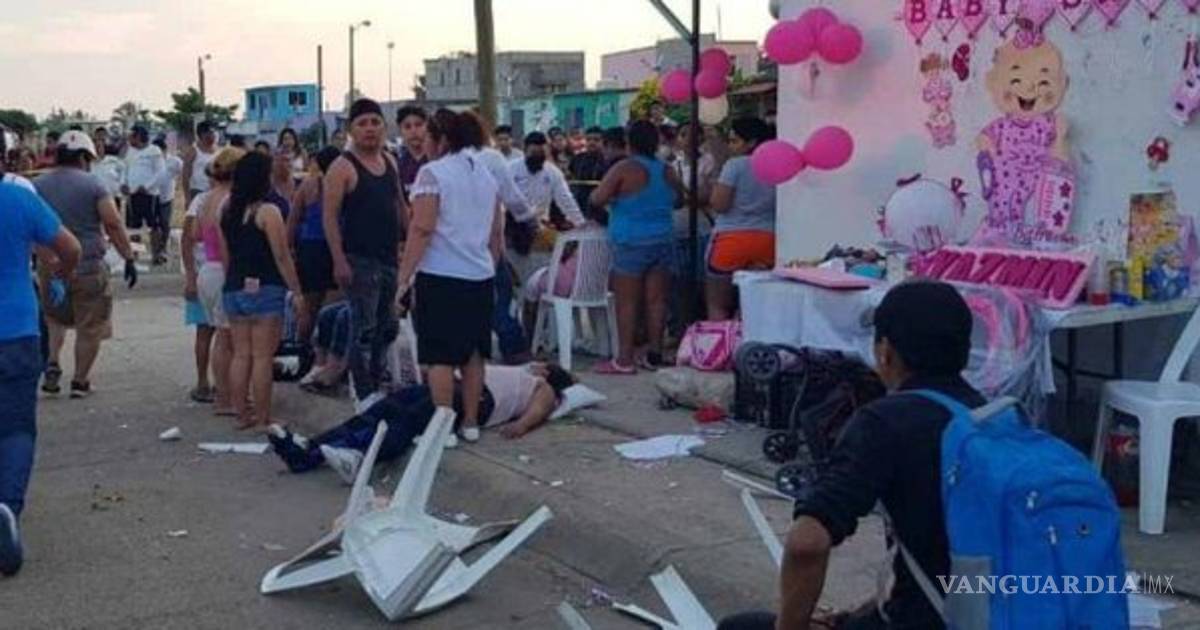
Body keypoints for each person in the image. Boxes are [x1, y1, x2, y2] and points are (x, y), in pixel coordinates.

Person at [718, 281, 981, 630]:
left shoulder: (886, 423)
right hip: (1005, 614)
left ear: (885, 351)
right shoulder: (1000, 418)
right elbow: (946, 569)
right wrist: (862, 615)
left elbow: (807, 543)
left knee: (741, 627)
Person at [269, 364, 576, 481]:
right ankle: (309, 449)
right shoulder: (519, 371)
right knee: (382, 410)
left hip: (477, 398)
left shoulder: (542, 386)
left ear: (547, 372)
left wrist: (522, 425)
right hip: (450, 384)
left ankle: (356, 456)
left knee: (407, 420)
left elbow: (539, 409)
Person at [397, 109, 503, 444]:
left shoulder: (432, 174)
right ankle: (470, 422)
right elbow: (496, 230)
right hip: (480, 274)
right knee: (473, 354)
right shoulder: (484, 172)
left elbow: (422, 228)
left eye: (427, 136)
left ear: (440, 139)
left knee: (439, 356)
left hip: (441, 275)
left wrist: (404, 277)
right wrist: (489, 264)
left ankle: (442, 427)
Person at [0, 180, 81, 577]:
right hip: (16, 329)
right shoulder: (18, 198)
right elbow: (71, 247)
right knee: (17, 426)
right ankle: (7, 506)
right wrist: (60, 274)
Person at [35, 131, 138, 398]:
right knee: (90, 325)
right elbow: (112, 223)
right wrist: (128, 257)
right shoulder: (94, 185)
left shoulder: (38, 185)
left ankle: (52, 362)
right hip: (88, 266)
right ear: (83, 157)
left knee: (53, 319)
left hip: (50, 265)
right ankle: (80, 382)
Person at [323, 99, 408, 407]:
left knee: (388, 326)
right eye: (362, 123)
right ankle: (363, 390)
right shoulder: (342, 167)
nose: (370, 129)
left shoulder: (390, 161)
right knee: (364, 329)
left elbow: (400, 205)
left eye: (375, 122)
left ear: (384, 127)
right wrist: (338, 260)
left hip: (389, 258)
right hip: (358, 260)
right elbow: (329, 218)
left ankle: (377, 377)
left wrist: (408, 242)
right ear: (351, 130)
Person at [219, 151, 304, 430]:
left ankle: (241, 414)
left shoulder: (227, 210)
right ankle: (264, 416)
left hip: (234, 286)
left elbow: (226, 254)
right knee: (263, 357)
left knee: (241, 354)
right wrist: (297, 291)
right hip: (265, 288)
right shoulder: (268, 212)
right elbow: (281, 255)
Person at [589, 120, 681, 374]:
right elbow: (679, 200)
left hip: (630, 241)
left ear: (629, 142)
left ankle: (624, 360)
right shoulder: (666, 170)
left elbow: (597, 198)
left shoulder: (624, 168)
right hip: (663, 239)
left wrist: (618, 199)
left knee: (627, 302)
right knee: (657, 300)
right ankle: (655, 354)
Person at [186, 148, 244, 408]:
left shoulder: (204, 199)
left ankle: (222, 394)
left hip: (207, 269)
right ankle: (229, 395)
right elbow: (227, 242)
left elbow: (195, 235)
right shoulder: (231, 200)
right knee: (230, 339)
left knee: (220, 335)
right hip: (224, 269)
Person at [706, 117, 777, 320]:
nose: (730, 146)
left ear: (751, 142)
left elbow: (719, 204)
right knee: (756, 306)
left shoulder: (735, 165)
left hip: (730, 240)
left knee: (718, 304)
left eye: (734, 141)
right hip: (768, 240)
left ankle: (721, 339)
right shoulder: (777, 164)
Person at [287, 146, 341, 346]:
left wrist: (289, 248)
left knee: (309, 307)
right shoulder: (343, 183)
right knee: (333, 306)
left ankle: (303, 348)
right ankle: (326, 350)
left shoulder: (308, 184)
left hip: (309, 248)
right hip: (335, 246)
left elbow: (292, 220)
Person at [509, 131, 585, 229]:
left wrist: (581, 223)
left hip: (540, 224)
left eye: (541, 154)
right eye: (533, 153)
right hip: (513, 223)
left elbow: (566, 200)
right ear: (525, 150)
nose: (537, 158)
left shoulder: (553, 172)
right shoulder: (510, 169)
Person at [122, 126, 165, 242]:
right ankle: (135, 250)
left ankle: (157, 250)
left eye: (131, 136)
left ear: (138, 137)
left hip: (149, 195)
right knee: (133, 225)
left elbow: (160, 172)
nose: (129, 139)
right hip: (132, 194)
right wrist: (123, 183)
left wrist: (146, 186)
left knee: (153, 225)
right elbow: (125, 169)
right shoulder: (130, 151)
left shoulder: (154, 151)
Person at [151, 137, 184, 265]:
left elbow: (184, 171)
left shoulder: (174, 161)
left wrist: (180, 184)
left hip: (167, 197)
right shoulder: (150, 161)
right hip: (152, 196)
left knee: (165, 223)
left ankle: (163, 248)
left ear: (165, 150)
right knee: (154, 225)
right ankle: (156, 253)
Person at [393, 105, 429, 194]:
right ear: (400, 131)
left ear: (427, 127)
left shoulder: (438, 160)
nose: (413, 131)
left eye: (418, 125)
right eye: (407, 127)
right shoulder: (398, 166)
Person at [183, 121, 219, 205]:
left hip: (213, 191)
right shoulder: (193, 151)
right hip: (197, 191)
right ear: (202, 135)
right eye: (210, 134)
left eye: (213, 133)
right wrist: (187, 198)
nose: (213, 136)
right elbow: (185, 176)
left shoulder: (218, 150)